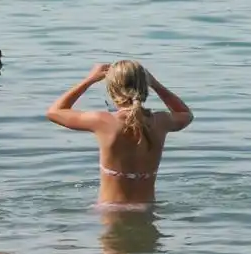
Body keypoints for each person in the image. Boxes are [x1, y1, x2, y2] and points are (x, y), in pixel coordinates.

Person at [46, 59, 192, 205]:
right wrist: (156, 84)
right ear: (145, 88)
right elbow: (185, 113)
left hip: (110, 210)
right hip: (147, 209)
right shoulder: (160, 121)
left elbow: (54, 112)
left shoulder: (103, 121)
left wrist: (90, 79)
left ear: (112, 90)